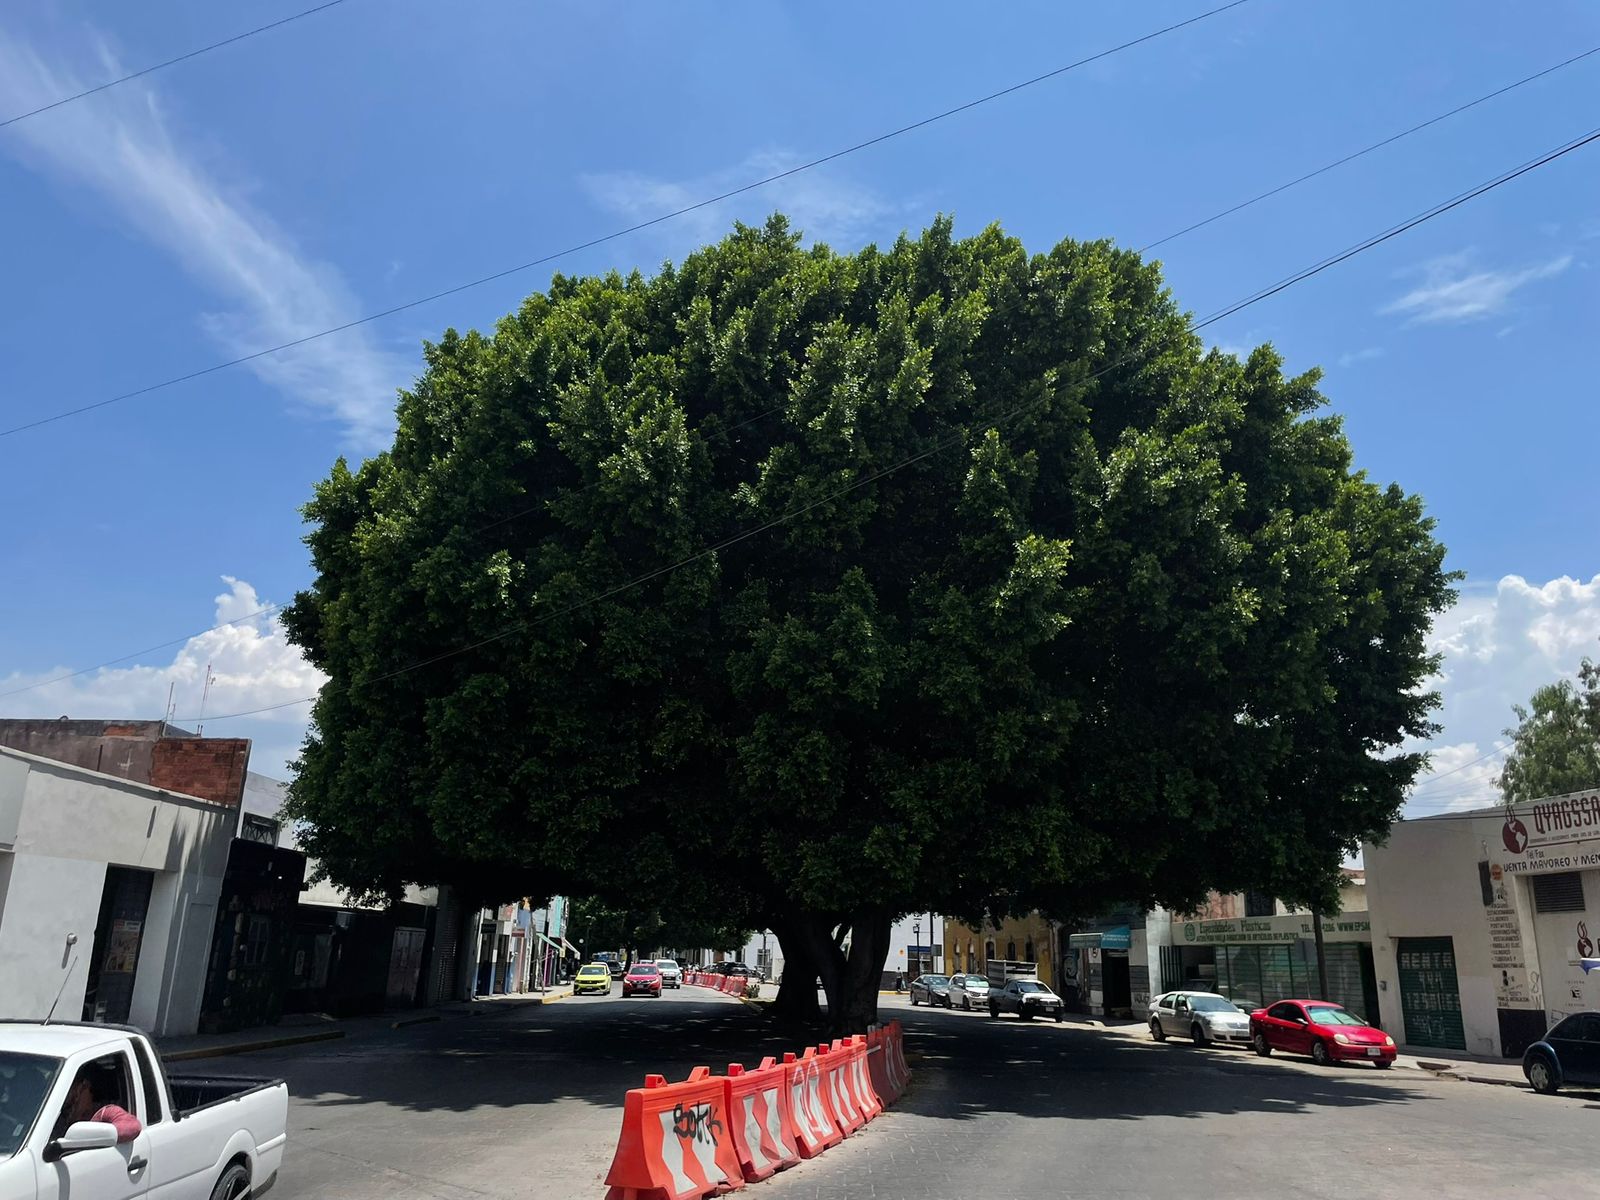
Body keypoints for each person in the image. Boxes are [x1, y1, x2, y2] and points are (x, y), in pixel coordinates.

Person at [52, 1062, 142, 1143]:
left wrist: (99, 1135)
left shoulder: (105, 1112)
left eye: (71, 1085)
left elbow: (133, 1126)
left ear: (84, 1085)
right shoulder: (57, 1111)